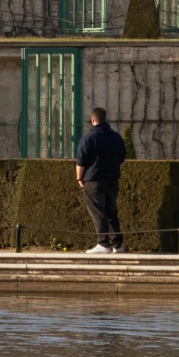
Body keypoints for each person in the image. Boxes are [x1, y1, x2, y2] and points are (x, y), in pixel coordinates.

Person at [75, 106, 127, 253]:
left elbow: (81, 161)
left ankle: (103, 244)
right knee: (111, 212)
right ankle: (117, 245)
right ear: (105, 119)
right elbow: (122, 156)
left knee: (98, 212)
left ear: (93, 119)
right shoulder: (116, 137)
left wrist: (79, 178)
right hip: (112, 179)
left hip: (94, 180)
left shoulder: (88, 138)